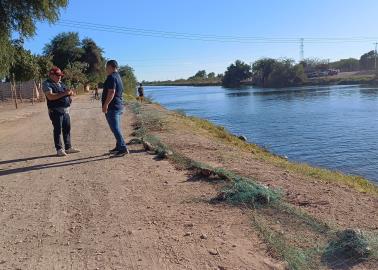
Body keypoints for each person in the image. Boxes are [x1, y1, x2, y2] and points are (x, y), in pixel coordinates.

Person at [43, 67, 80, 157]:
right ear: (51, 75)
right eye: (57, 75)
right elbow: (50, 96)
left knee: (67, 129)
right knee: (58, 130)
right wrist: (65, 93)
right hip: (55, 110)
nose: (60, 77)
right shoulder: (47, 84)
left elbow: (69, 91)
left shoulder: (61, 83)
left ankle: (68, 147)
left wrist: (70, 93)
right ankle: (59, 149)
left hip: (65, 110)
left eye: (60, 75)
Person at [102, 60, 129, 157]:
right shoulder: (118, 77)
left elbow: (111, 92)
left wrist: (105, 105)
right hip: (118, 106)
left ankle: (123, 148)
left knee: (115, 128)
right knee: (115, 127)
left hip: (113, 107)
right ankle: (118, 146)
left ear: (110, 67)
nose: (105, 69)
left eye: (106, 67)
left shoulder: (111, 77)